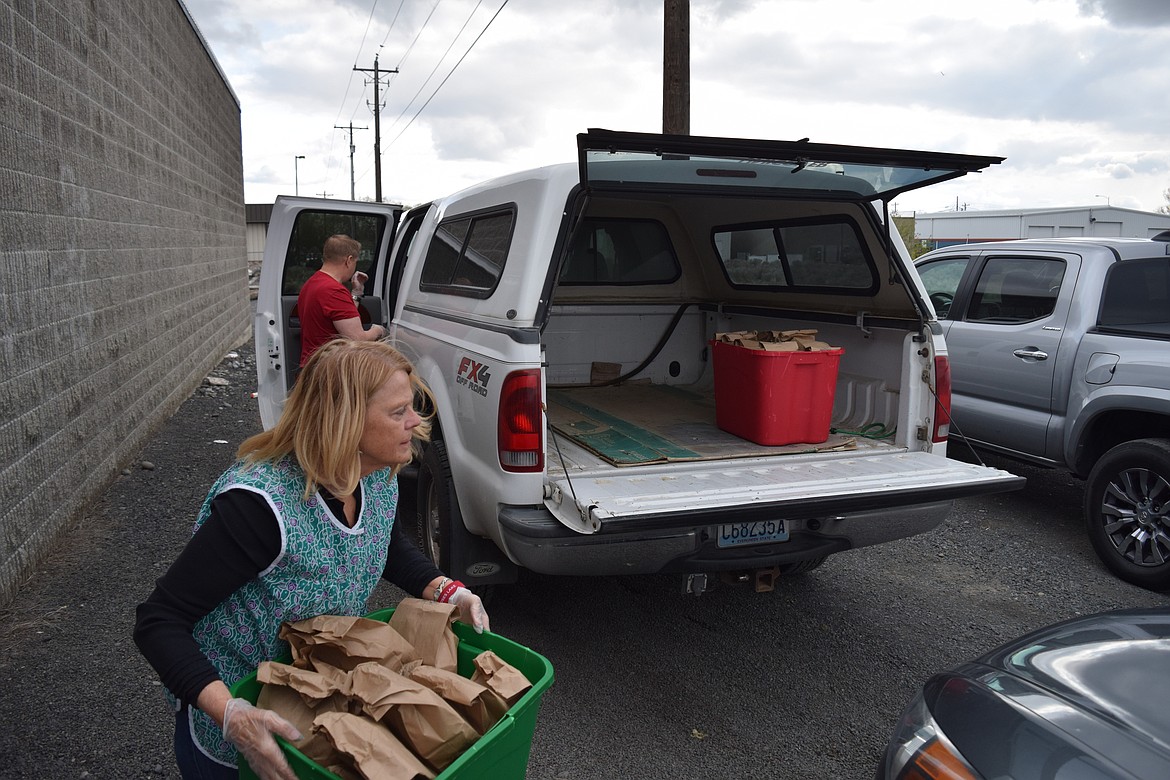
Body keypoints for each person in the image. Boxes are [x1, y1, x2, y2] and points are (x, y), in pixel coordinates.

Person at [133, 339, 489, 780]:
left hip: (313, 693)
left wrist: (445, 589)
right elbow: (158, 620)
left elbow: (385, 543)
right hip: (242, 719)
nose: (415, 422)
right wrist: (231, 715)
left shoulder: (375, 475)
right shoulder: (260, 507)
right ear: (346, 423)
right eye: (398, 412)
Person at [297, 234, 385, 366]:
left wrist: (356, 292)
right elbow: (357, 339)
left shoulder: (312, 283)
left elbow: (340, 317)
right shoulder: (334, 290)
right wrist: (379, 330)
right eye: (356, 261)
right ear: (349, 260)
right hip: (328, 369)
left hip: (312, 366)